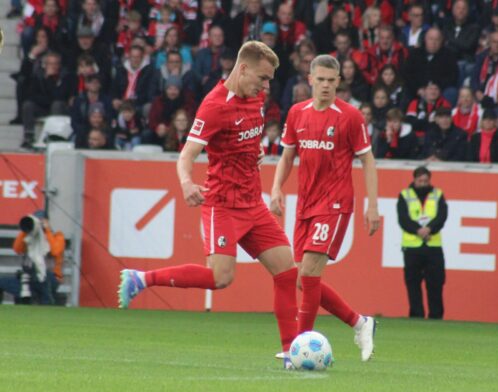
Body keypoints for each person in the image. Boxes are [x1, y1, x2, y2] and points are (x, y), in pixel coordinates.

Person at [117, 41, 302, 369]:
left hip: (252, 203)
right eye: (262, 78)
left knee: (287, 270)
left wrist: (254, 152)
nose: (266, 86)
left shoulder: (256, 97)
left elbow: (246, 138)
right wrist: (187, 183)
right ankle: (141, 279)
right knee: (221, 278)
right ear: (242, 69)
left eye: (270, 80)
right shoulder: (214, 105)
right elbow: (186, 155)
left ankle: (291, 353)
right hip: (222, 205)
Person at [271, 54, 379, 362]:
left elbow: (367, 161)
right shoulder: (296, 113)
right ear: (310, 80)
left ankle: (297, 348)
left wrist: (373, 206)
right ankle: (360, 322)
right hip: (305, 204)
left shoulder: (351, 117)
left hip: (335, 203)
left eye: (332, 81)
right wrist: (277, 187)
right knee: (303, 278)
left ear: (339, 82)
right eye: (320, 80)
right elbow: (287, 156)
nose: (326, 86)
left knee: (310, 273)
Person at [396, 166, 448, 319]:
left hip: (433, 245)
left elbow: (442, 216)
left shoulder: (437, 195)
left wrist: (430, 229)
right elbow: (403, 219)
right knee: (413, 283)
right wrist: (418, 230)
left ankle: (436, 316)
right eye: (420, 181)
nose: (423, 183)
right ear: (414, 180)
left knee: (436, 283)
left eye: (426, 181)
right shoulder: (405, 195)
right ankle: (416, 315)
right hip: (412, 246)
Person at [9, 211, 65, 305]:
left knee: (42, 276)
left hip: (51, 277)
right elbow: (17, 249)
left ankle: (46, 304)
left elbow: (55, 251)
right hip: (30, 275)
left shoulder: (57, 236)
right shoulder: (30, 237)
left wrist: (46, 230)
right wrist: (26, 230)